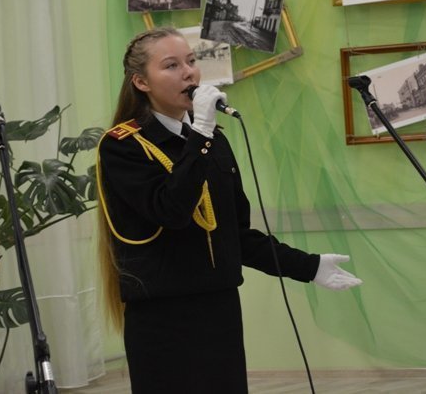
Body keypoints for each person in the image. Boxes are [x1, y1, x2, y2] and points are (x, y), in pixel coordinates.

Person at [96, 26, 362, 393]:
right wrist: (202, 132)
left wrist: (309, 266)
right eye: (171, 65)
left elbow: (237, 235)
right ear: (142, 82)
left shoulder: (212, 141)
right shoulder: (123, 146)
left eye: (191, 61)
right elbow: (171, 211)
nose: (189, 73)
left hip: (219, 308)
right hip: (162, 316)